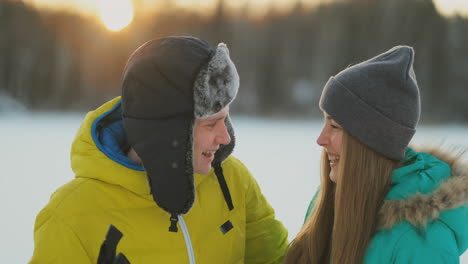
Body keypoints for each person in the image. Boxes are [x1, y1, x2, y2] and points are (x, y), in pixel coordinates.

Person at [30, 36, 288, 264]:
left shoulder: (232, 180)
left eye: (225, 119)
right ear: (167, 130)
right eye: (211, 124)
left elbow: (278, 259)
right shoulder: (71, 217)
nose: (225, 137)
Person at [285, 46, 468, 263]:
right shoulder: (330, 202)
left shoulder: (421, 243)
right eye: (325, 122)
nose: (321, 139)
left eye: (334, 126)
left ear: (370, 142)